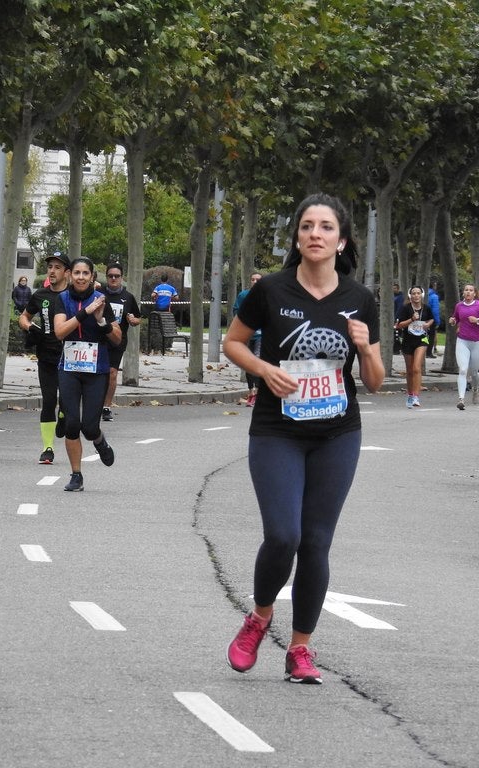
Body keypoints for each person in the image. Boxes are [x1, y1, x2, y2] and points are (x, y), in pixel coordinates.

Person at [222, 193, 384, 685]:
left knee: (315, 542)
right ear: (297, 237)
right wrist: (263, 369)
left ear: (342, 240)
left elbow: (376, 381)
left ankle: (300, 651)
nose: (316, 234)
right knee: (284, 535)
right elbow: (232, 342)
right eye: (308, 226)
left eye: (326, 227)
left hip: (337, 432)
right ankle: (260, 616)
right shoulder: (271, 290)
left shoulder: (360, 300)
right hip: (277, 431)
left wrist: (364, 348)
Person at [52, 257, 122, 491]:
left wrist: (101, 319)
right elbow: (60, 332)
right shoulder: (62, 299)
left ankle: (99, 440)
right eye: (77, 273)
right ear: (70, 275)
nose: (81, 277)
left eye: (86, 273)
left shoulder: (102, 301)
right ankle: (76, 475)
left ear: (92, 276)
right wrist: (84, 314)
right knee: (72, 423)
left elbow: (117, 338)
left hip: (96, 370)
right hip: (69, 369)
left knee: (89, 428)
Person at [18, 252, 69, 464]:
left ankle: (64, 415)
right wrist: (30, 327)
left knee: (67, 402)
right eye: (50, 267)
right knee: (48, 400)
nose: (52, 271)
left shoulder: (74, 295)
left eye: (57, 267)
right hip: (46, 355)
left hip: (70, 358)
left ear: (66, 272)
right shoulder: (40, 295)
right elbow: (24, 316)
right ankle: (47, 448)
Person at [99, 263, 141, 421]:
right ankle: (95, 402)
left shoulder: (128, 297)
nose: (113, 279)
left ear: (122, 278)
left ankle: (106, 407)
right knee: (98, 373)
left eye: (117, 276)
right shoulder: (99, 294)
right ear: (107, 277)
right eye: (110, 276)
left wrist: (132, 320)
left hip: (117, 340)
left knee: (112, 373)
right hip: (100, 339)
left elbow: (138, 318)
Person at [395, 286, 434, 408]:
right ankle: (410, 395)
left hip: (422, 339)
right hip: (407, 340)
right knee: (410, 370)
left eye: (418, 293)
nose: (416, 295)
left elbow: (432, 319)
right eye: (413, 293)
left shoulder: (426, 308)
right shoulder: (405, 308)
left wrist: (428, 324)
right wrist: (411, 319)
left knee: (417, 368)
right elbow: (398, 325)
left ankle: (416, 396)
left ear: (421, 295)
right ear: (410, 296)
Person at [231, 273, 263, 407]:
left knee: (257, 361)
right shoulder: (243, 295)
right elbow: (236, 310)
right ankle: (252, 392)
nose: (255, 281)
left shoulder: (267, 295)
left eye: (258, 280)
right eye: (253, 279)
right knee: (248, 364)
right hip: (248, 335)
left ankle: (260, 394)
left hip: (262, 335)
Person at [447, 284, 479, 410]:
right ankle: (461, 399)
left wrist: (476, 320)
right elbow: (456, 318)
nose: (468, 292)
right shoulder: (459, 306)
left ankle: (476, 389)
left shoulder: (478, 305)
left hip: (476, 342)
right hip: (462, 341)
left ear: (475, 294)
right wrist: (453, 320)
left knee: (475, 372)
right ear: (463, 293)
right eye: (466, 290)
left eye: (471, 290)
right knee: (463, 370)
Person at [427, 281, 441, 358]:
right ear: (434, 285)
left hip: (423, 318)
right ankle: (429, 352)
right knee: (431, 336)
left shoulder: (424, 295)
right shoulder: (434, 296)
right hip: (431, 319)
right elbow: (435, 310)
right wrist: (437, 321)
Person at [392, 282, 404, 354]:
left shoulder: (400, 297)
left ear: (398, 289)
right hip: (394, 317)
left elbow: (399, 308)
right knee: (396, 333)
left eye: (395, 288)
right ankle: (397, 347)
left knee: (396, 333)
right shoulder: (393, 297)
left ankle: (397, 348)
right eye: (393, 288)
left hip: (397, 318)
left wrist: (396, 318)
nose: (393, 290)